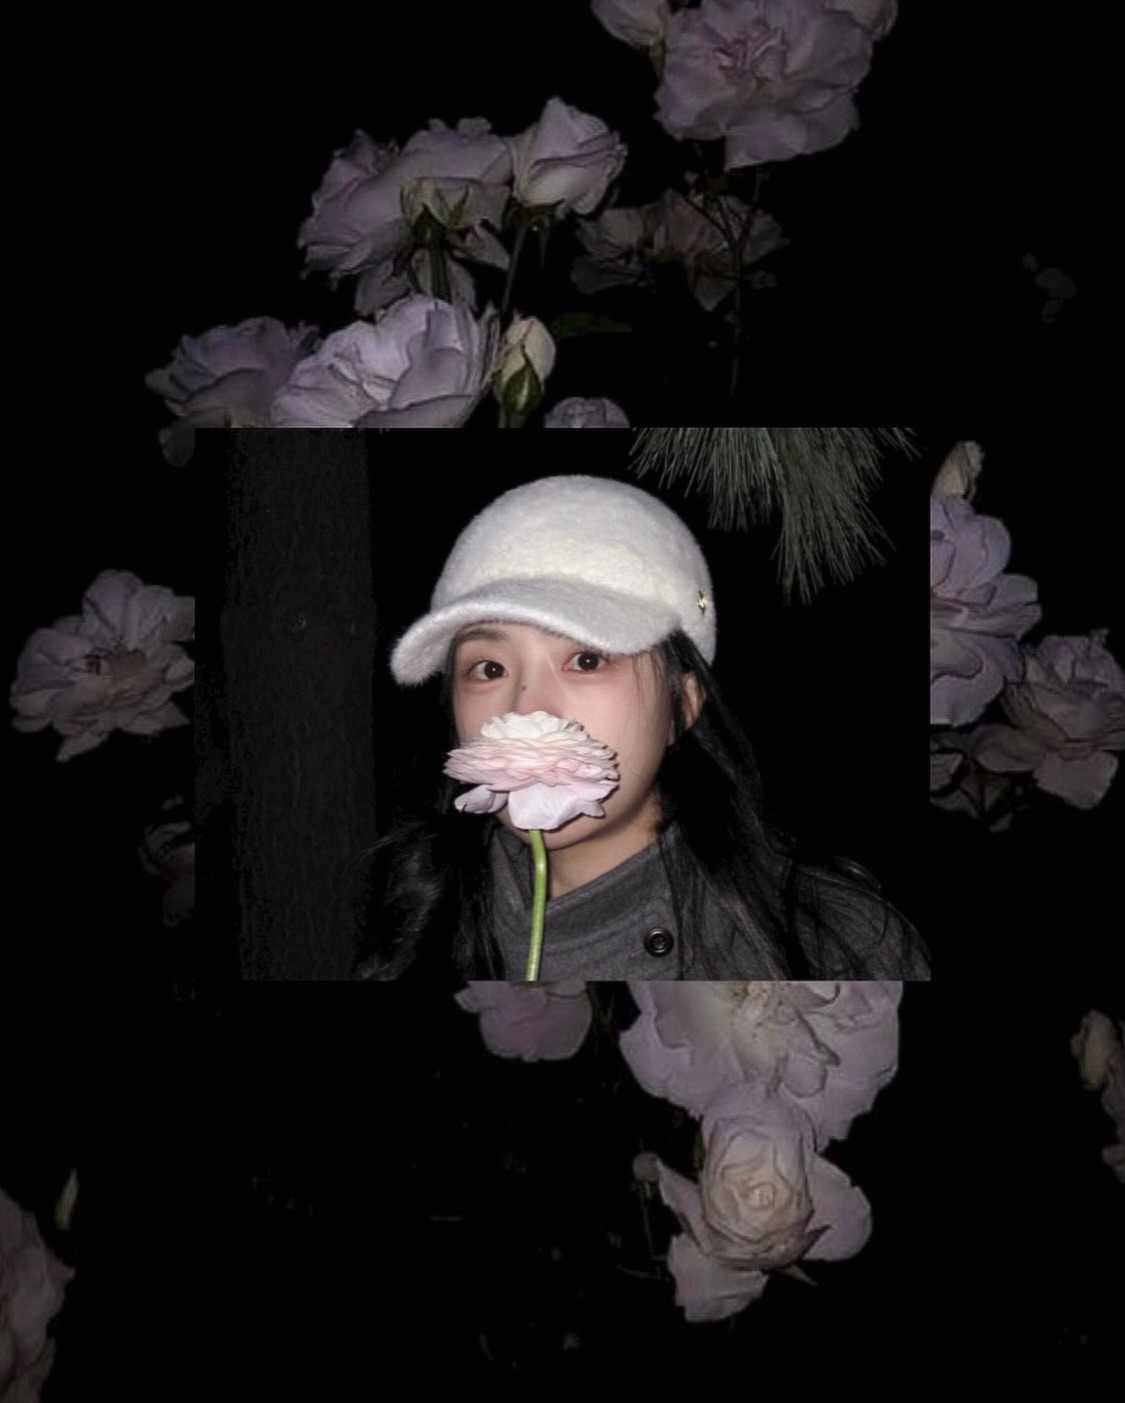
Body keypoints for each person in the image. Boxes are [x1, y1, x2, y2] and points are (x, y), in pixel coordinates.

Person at [355, 474, 930, 982]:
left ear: (683, 705)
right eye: (488, 668)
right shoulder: (411, 910)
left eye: (586, 660)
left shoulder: (838, 946)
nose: (526, 707)